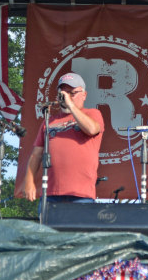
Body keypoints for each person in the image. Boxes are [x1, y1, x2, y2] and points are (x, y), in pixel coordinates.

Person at [23, 72, 104, 204]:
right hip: (51, 193)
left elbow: (91, 129)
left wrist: (71, 105)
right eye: (63, 92)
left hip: (81, 194)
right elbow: (36, 155)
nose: (66, 96)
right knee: (47, 225)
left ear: (84, 95)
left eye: (72, 93)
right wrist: (29, 181)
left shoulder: (92, 113)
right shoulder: (49, 121)